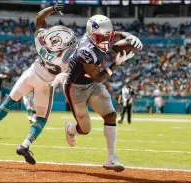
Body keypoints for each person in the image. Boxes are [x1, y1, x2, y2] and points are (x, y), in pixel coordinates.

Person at [0, 1, 77, 165]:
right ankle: (25, 145)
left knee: (10, 100)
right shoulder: (68, 58)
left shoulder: (41, 41)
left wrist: (52, 9)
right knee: (41, 119)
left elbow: (39, 18)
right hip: (46, 84)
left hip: (31, 74)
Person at [53, 15, 142, 172]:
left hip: (91, 84)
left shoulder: (104, 35)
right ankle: (70, 129)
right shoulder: (86, 51)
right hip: (76, 88)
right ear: (92, 34)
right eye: (101, 37)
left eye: (107, 36)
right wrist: (116, 64)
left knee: (111, 116)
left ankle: (111, 158)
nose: (106, 40)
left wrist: (130, 36)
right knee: (85, 130)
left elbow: (117, 34)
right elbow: (98, 77)